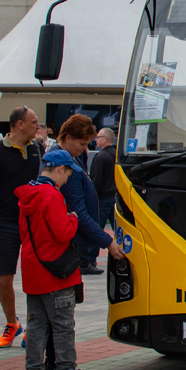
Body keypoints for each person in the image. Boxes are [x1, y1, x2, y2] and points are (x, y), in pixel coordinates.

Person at [16, 149, 99, 370]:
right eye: (67, 175)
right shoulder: (51, 195)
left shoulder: (27, 194)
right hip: (55, 270)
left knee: (36, 325)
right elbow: (63, 233)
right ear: (60, 170)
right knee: (63, 324)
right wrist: (73, 218)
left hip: (33, 267)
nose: (65, 182)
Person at [0, 105, 42, 348]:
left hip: (32, 223)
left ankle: (32, 325)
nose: (38, 126)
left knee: (34, 278)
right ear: (19, 124)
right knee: (3, 277)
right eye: (34, 121)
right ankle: (11, 323)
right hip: (6, 223)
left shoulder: (38, 148)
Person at [55, 116, 123, 275]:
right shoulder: (62, 163)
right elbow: (79, 212)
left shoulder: (71, 157)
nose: (84, 148)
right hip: (66, 239)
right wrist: (108, 242)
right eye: (82, 144)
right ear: (68, 137)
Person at [88, 127, 118, 233]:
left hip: (101, 200)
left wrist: (90, 198)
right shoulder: (117, 156)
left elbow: (95, 180)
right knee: (119, 231)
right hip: (115, 198)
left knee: (95, 231)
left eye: (98, 137)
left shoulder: (100, 157)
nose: (95, 139)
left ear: (105, 139)